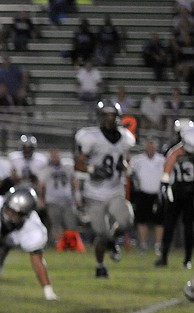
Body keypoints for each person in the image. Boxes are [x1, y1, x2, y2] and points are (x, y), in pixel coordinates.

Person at [74, 101, 136, 278]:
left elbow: (123, 160)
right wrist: (93, 170)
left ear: (117, 117)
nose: (109, 119)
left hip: (116, 191)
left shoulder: (125, 137)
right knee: (101, 233)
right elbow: (78, 164)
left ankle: (112, 239)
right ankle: (100, 265)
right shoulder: (90, 136)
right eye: (106, 115)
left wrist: (124, 167)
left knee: (127, 221)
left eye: (112, 115)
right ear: (100, 117)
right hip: (94, 194)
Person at [156, 121, 194, 269]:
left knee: (173, 225)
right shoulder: (177, 150)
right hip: (187, 190)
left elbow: (167, 169)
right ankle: (186, 260)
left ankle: (166, 258)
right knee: (185, 226)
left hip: (178, 189)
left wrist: (164, 185)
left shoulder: (173, 150)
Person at [36, 147, 82, 251]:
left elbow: (75, 180)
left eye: (56, 155)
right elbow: (41, 185)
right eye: (53, 156)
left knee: (71, 223)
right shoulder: (46, 169)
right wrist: (41, 199)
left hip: (68, 200)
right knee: (55, 224)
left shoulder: (67, 165)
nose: (55, 158)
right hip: (52, 200)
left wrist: (77, 195)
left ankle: (71, 245)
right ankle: (58, 245)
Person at [129, 139, 165, 255]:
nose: (151, 149)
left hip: (157, 193)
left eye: (153, 147)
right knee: (142, 220)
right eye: (149, 147)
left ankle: (158, 245)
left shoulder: (162, 160)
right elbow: (130, 174)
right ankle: (143, 244)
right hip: (143, 193)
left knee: (159, 221)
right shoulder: (137, 160)